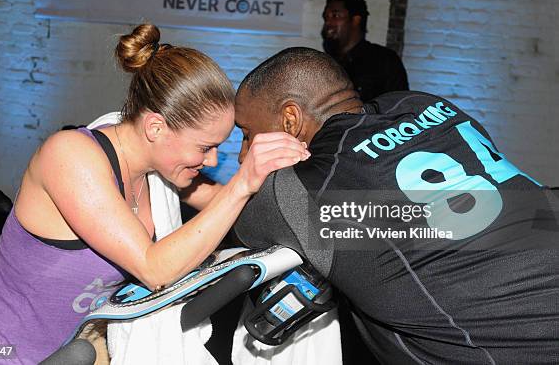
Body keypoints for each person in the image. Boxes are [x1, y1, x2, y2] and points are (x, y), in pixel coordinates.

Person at [0, 25, 309, 364]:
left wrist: (303, 182)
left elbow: (239, 209)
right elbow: (155, 268)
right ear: (155, 127)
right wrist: (243, 181)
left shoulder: (161, 174)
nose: (212, 160)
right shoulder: (70, 156)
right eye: (205, 147)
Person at [232, 47, 559, 363]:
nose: (242, 153)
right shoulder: (420, 102)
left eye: (247, 134)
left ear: (290, 120)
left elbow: (235, 217)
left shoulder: (302, 189)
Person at [322, 0, 409, 102]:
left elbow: (400, 107)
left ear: (356, 20)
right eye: (326, 17)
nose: (328, 23)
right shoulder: (327, 61)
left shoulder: (384, 60)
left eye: (335, 16)